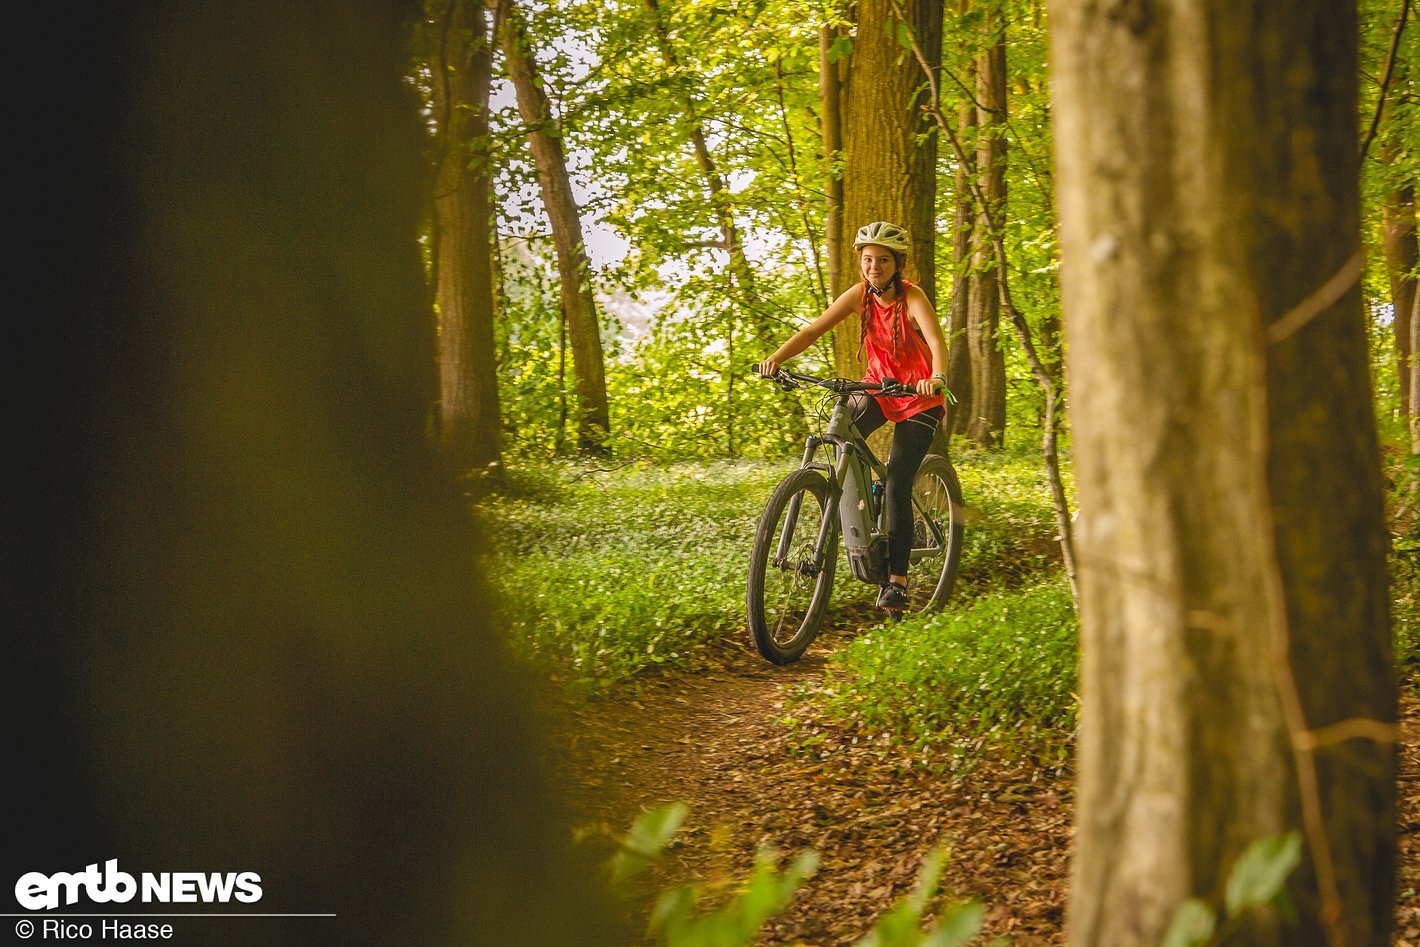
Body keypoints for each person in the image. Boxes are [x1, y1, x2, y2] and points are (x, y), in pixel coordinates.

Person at [755, 221, 950, 612]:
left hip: (918, 397)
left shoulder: (912, 298)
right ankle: (864, 511)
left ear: (897, 264)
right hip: (878, 387)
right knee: (841, 439)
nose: (874, 267)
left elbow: (936, 341)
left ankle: (896, 581)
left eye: (882, 260)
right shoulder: (859, 296)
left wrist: (937, 378)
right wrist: (777, 358)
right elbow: (813, 331)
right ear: (860, 263)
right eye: (867, 260)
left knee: (896, 482)